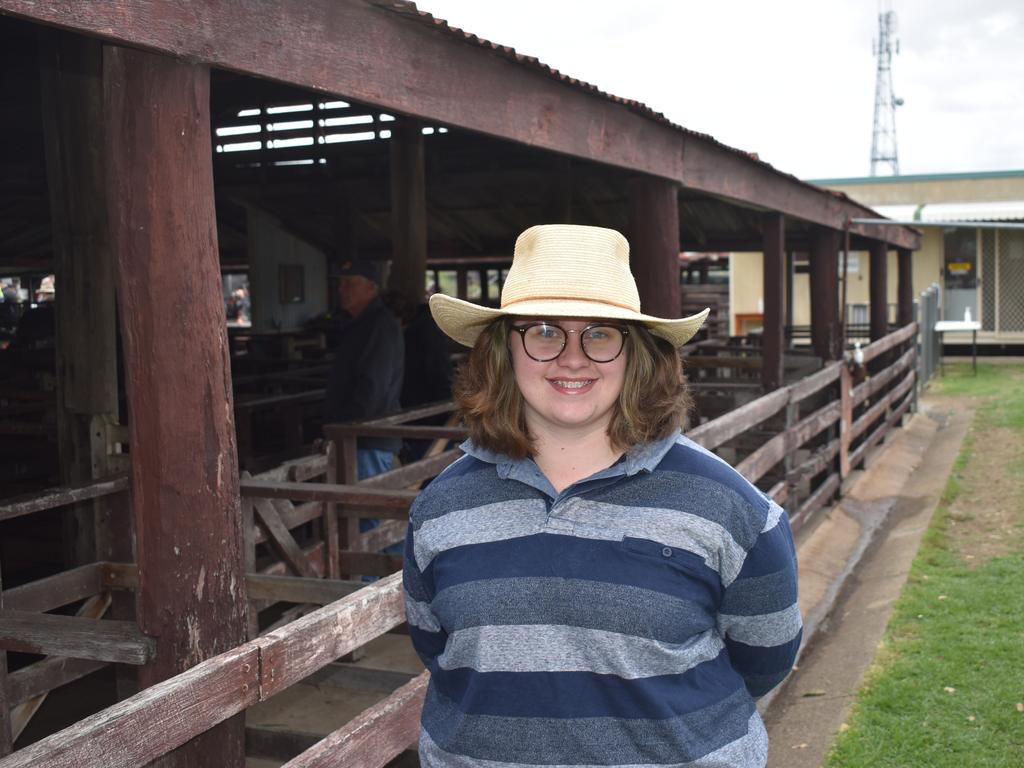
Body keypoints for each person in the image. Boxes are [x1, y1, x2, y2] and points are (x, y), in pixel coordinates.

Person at [403, 224, 801, 767]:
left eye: (600, 333)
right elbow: (436, 648)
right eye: (544, 331)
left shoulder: (732, 510)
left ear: (634, 352)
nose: (572, 357)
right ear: (503, 350)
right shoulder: (441, 508)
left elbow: (765, 659)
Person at [324, 258, 404, 479]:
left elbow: (373, 386)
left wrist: (348, 428)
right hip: (357, 437)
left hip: (366, 438)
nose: (342, 290)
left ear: (371, 287)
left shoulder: (378, 325)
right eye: (340, 284)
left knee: (367, 509)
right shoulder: (360, 323)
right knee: (357, 509)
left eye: (350, 283)